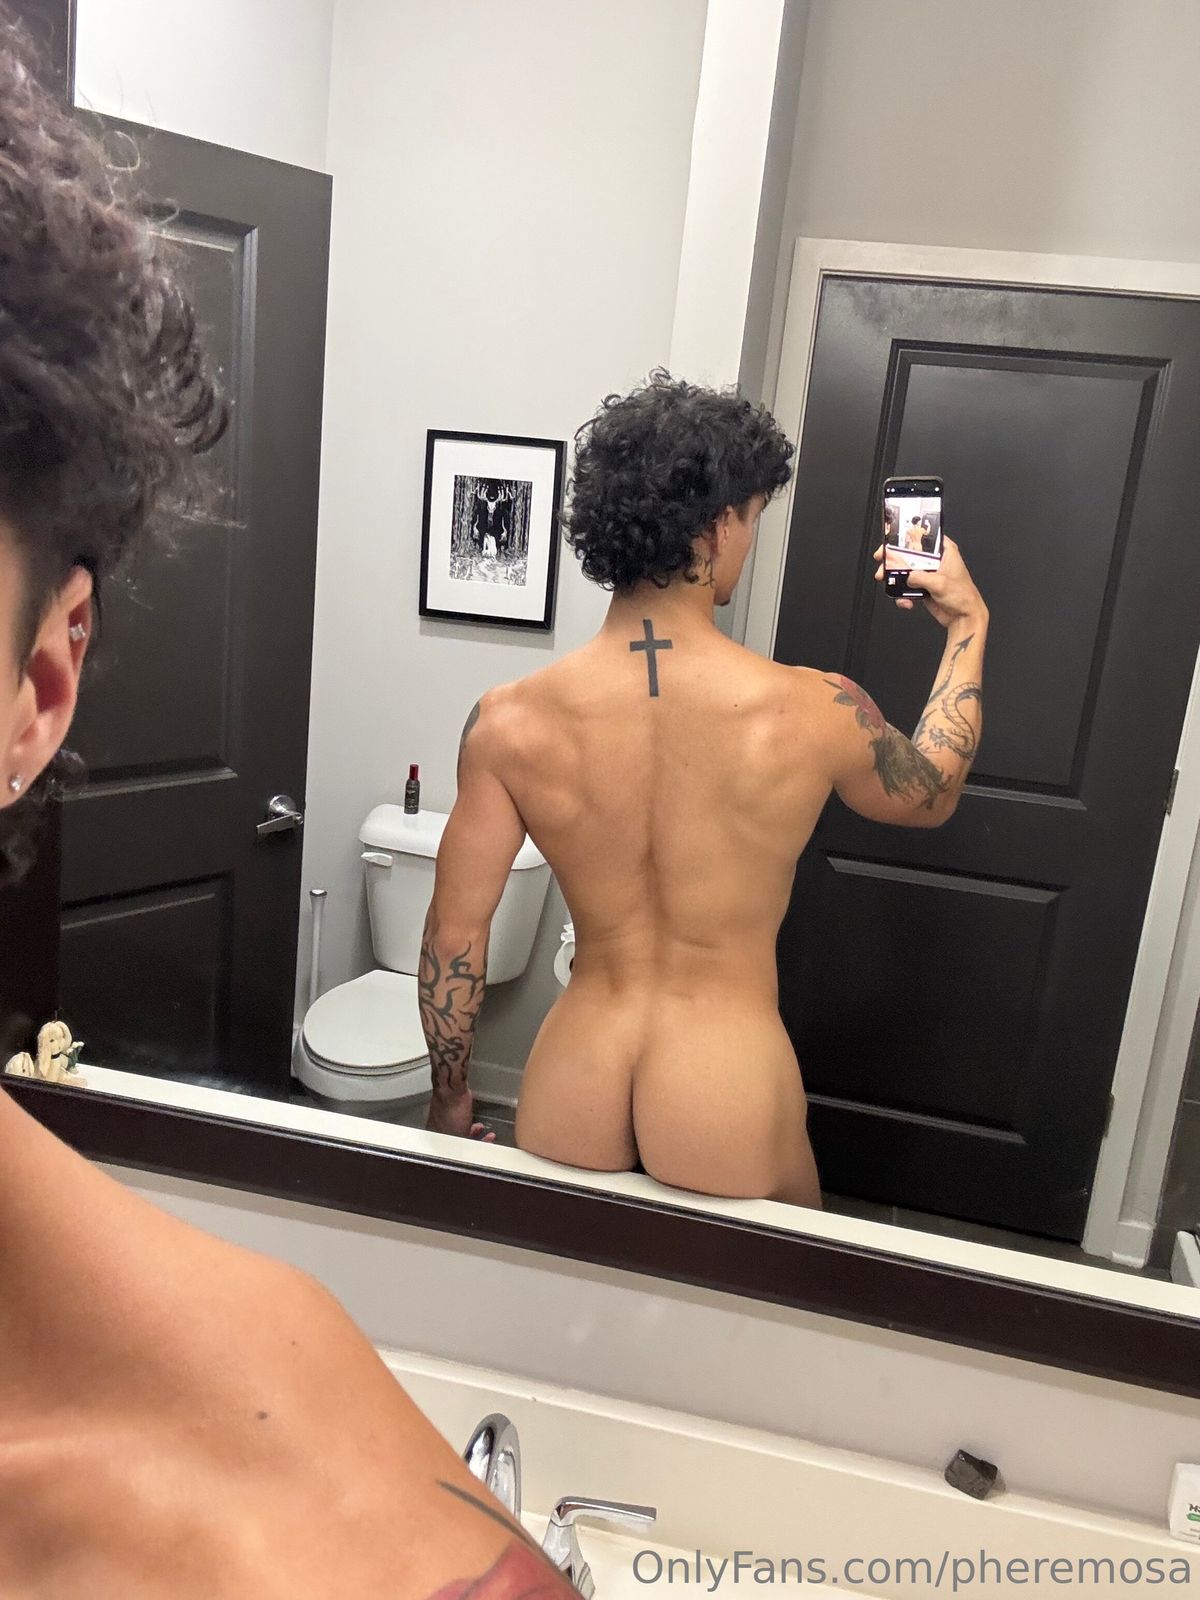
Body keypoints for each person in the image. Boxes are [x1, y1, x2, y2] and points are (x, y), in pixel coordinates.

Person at [0, 18, 566, 1596]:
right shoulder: (799, 716)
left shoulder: (328, 1547)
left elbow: (451, 951)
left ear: (41, 689)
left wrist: (451, 1105)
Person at [420, 374, 987, 1205]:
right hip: (724, 1083)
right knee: (773, 1286)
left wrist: (449, 1099)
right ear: (719, 526)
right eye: (752, 518)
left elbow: (453, 937)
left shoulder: (507, 722)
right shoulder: (814, 708)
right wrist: (968, 624)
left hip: (577, 1073)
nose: (747, 542)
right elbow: (932, 791)